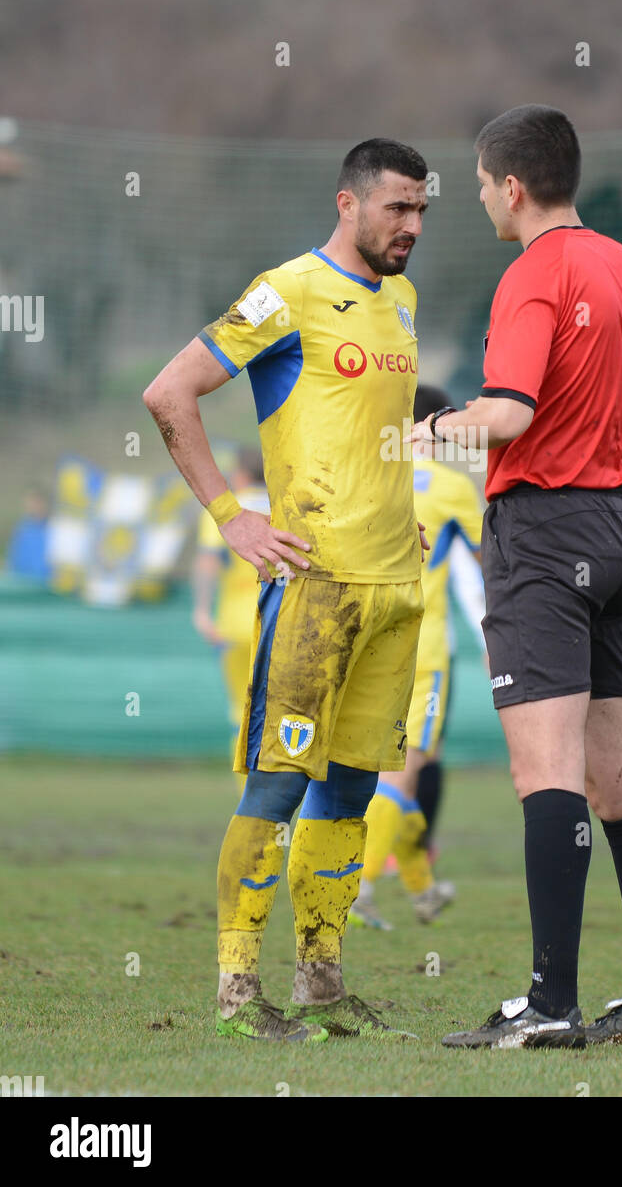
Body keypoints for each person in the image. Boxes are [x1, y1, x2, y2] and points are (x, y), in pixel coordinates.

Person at [410, 104, 622, 1050]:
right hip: (621, 525)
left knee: (547, 775)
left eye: (479, 182)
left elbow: (505, 412)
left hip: (544, 530)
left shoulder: (533, 273)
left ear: (513, 186)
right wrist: (604, 430)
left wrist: (426, 430)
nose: (478, 198)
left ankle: (547, 1007)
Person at [144, 138, 430, 1044]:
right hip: (314, 586)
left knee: (350, 793)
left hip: (395, 585)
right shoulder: (287, 291)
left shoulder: (405, 301)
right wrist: (232, 517)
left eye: (422, 211)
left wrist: (401, 507)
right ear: (346, 204)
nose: (412, 227)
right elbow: (169, 392)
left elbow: (375, 433)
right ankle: (236, 997)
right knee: (276, 788)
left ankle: (321, 984)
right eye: (397, 209)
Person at [352, 383, 485, 929]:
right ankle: (355, 889)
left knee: (404, 766)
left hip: (364, 640)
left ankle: (422, 889)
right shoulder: (451, 487)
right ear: (436, 422)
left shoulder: (364, 475)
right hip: (423, 650)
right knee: (403, 776)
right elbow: (492, 565)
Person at [192, 448, 269, 793]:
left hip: (235, 626)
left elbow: (208, 561)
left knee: (242, 712)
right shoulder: (290, 506)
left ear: (238, 474)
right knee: (286, 712)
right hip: (282, 622)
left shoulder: (225, 509)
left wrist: (202, 611)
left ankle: (250, 803)